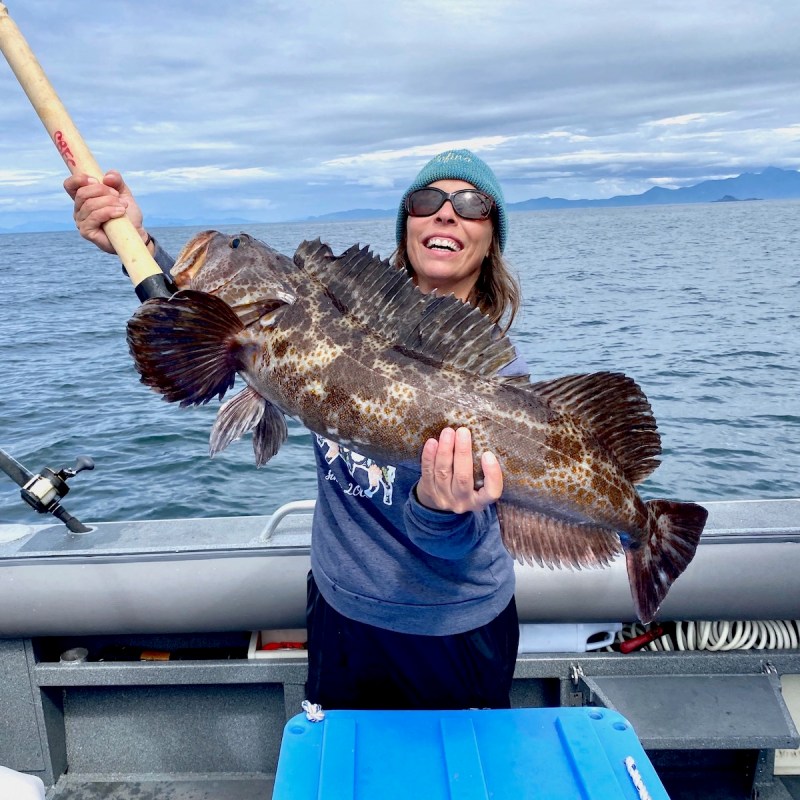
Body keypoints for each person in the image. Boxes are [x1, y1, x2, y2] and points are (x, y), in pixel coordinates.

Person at [65, 148, 527, 710]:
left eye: (471, 204)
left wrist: (438, 510)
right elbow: (221, 316)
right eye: (427, 200)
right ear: (407, 222)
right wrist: (133, 241)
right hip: (340, 610)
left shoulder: (498, 381)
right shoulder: (331, 317)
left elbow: (468, 539)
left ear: (491, 236)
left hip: (455, 626)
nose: (446, 214)